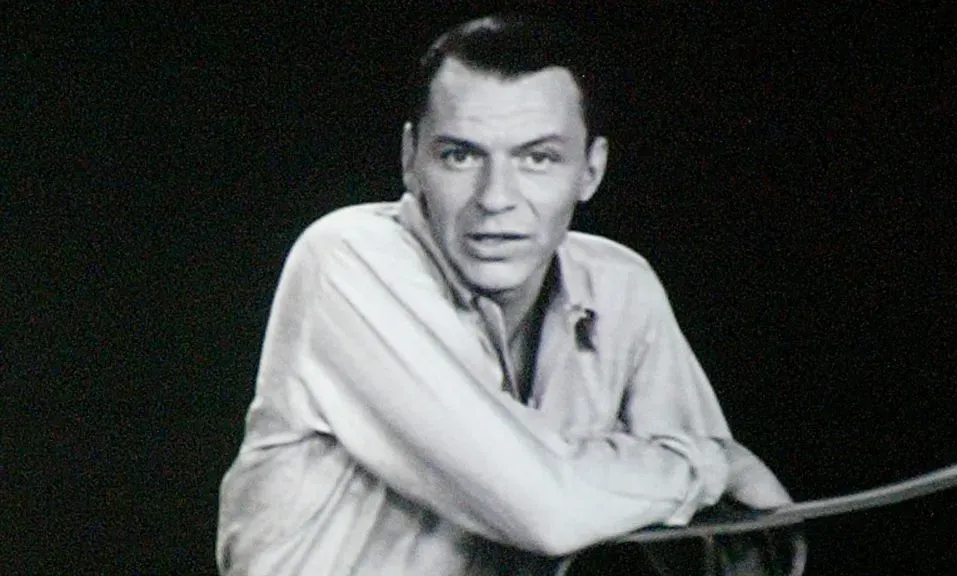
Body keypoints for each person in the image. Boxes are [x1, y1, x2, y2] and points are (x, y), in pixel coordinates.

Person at [217, 14, 801, 576]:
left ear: (590, 171)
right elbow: (544, 509)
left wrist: (719, 499)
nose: (495, 198)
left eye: (537, 158)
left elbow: (728, 542)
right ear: (409, 160)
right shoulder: (345, 259)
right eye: (461, 155)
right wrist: (713, 463)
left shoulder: (620, 286)